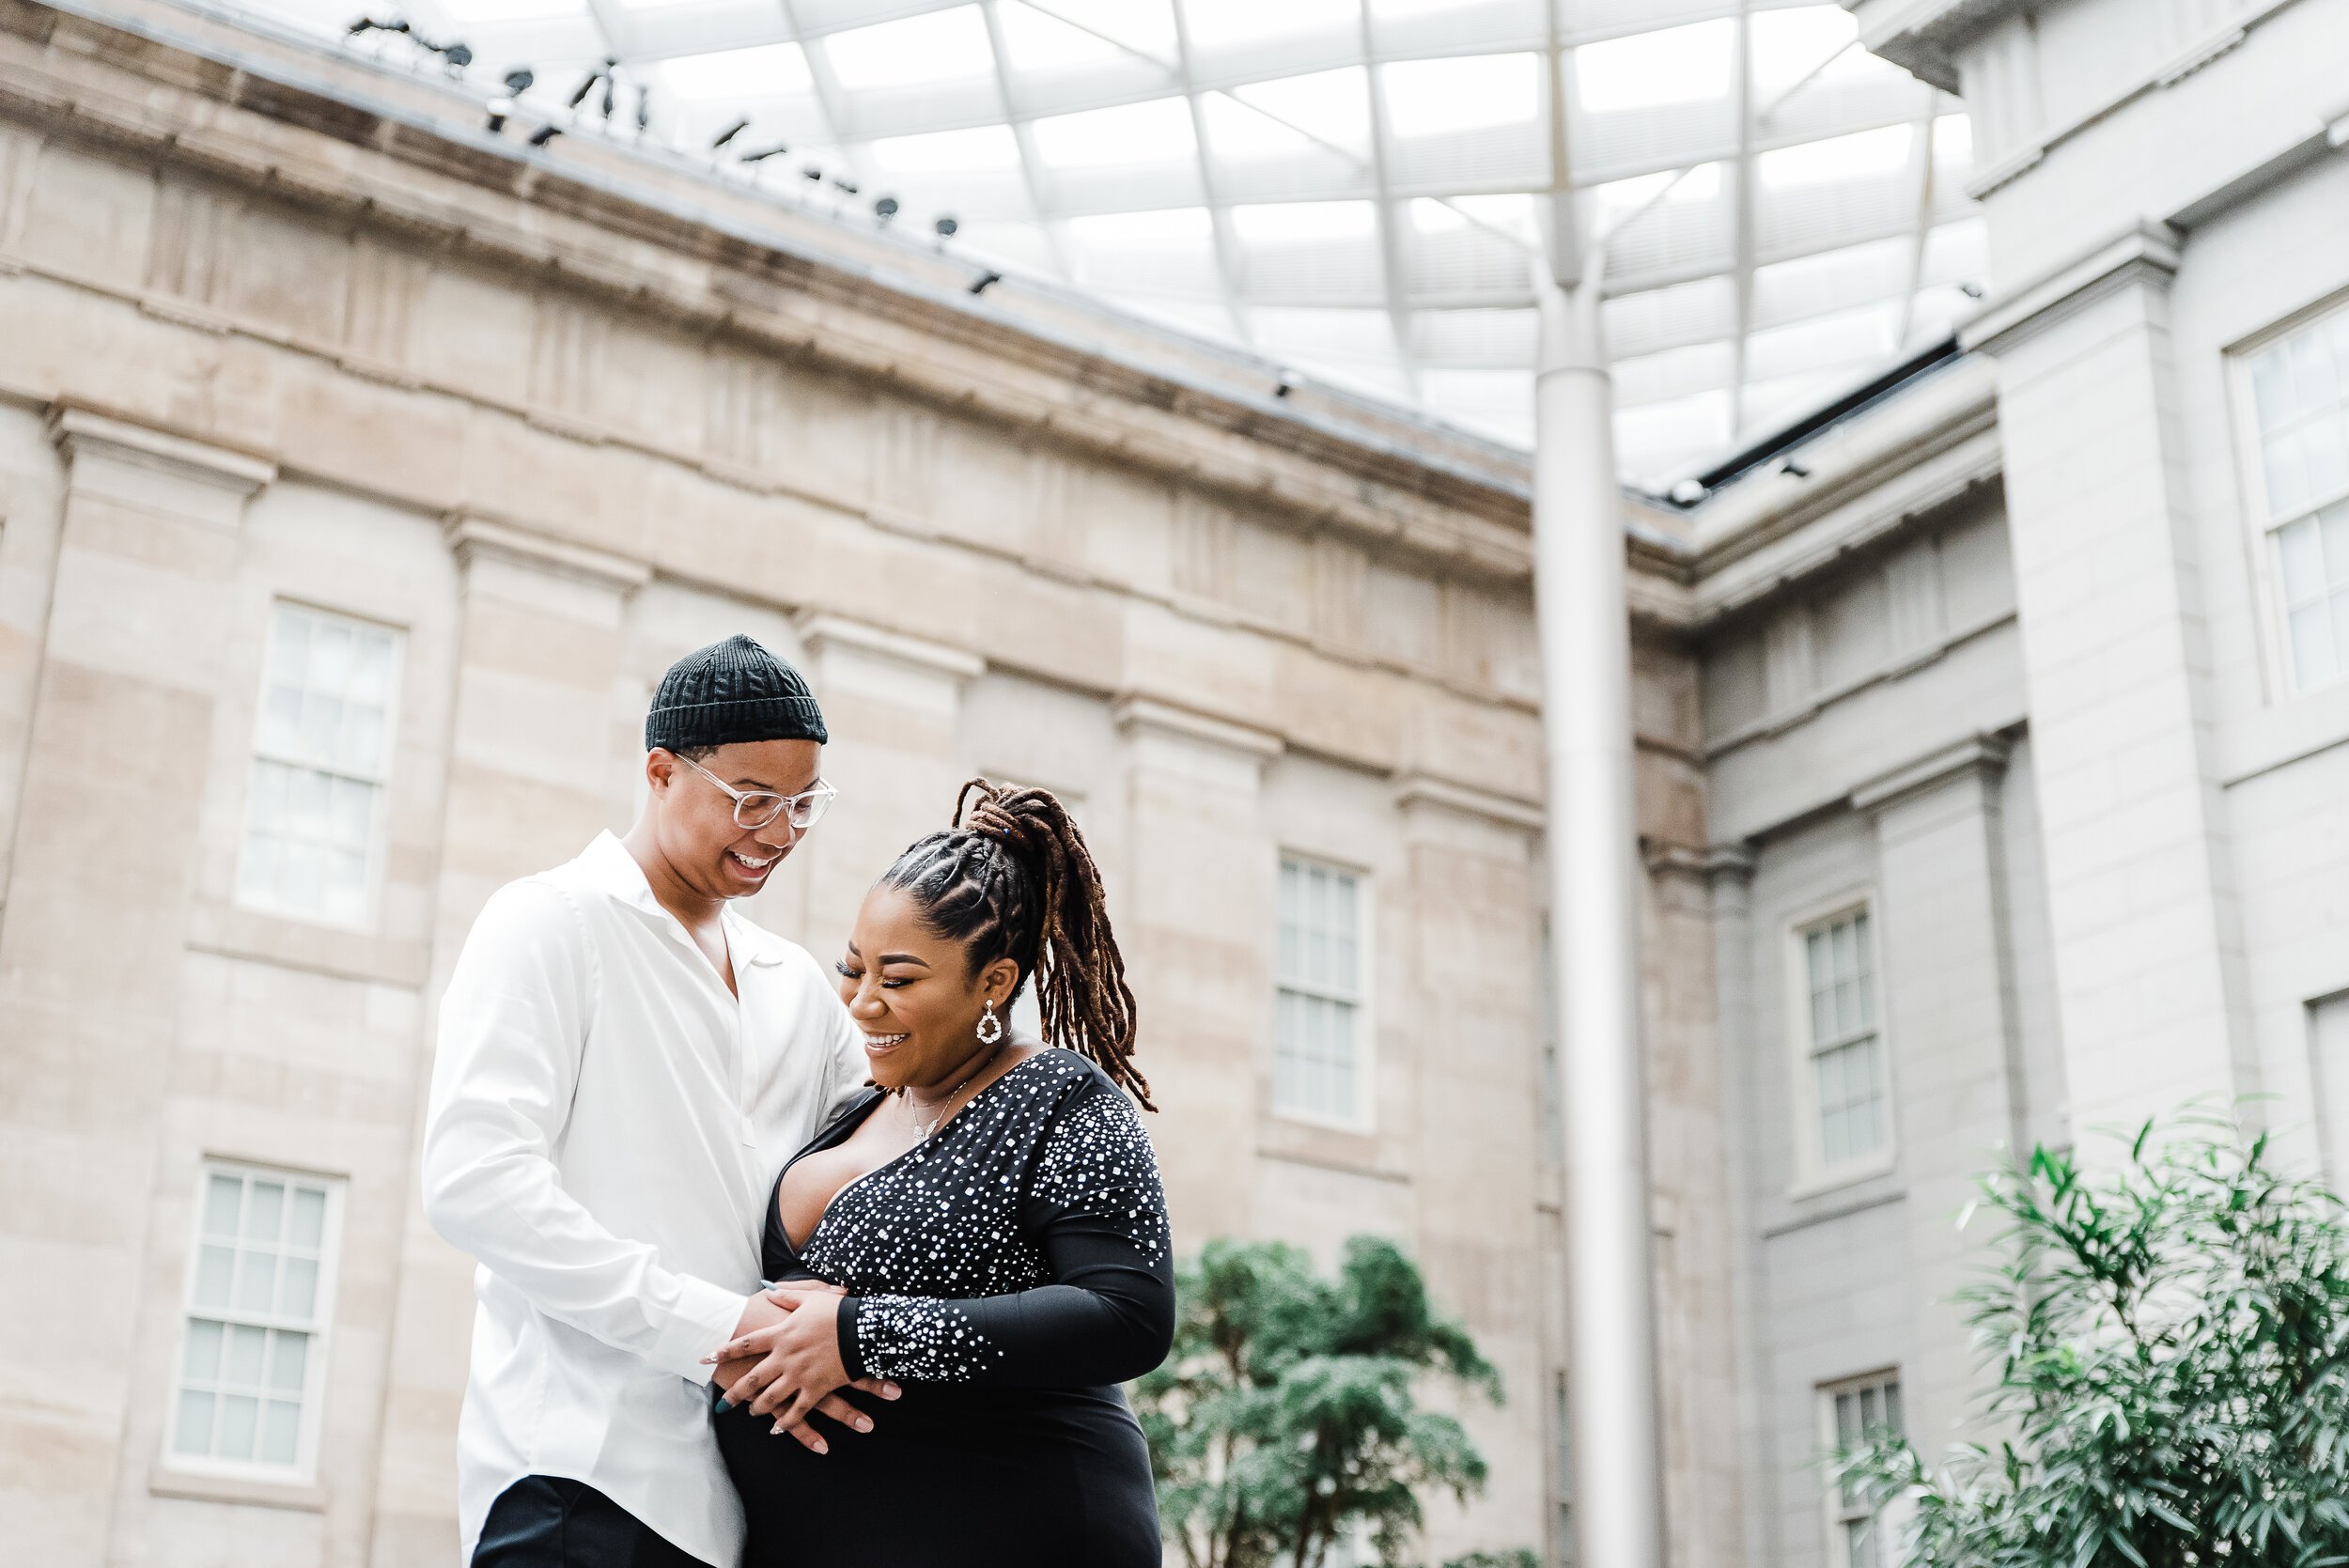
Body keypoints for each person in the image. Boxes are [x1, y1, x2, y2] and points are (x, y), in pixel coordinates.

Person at [422, 634, 897, 1568]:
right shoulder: (550, 923)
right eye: (752, 800)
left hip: (740, 1499)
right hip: (576, 1471)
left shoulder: (795, 986)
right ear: (660, 771)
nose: (779, 831)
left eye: (803, 804)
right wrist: (716, 1329)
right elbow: (476, 1184)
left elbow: (890, 1155)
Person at [703, 779, 1174, 1568]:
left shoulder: (1059, 1097)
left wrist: (862, 1333)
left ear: (992, 982)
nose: (863, 1003)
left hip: (1024, 1527)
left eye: (901, 979)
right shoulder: (851, 1110)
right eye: (853, 969)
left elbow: (1128, 1312)